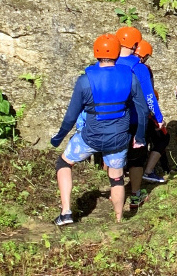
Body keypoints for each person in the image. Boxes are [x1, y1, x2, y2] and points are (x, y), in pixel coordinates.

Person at [49, 34, 148, 225]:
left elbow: (71, 116)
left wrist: (59, 137)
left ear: (96, 53)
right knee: (117, 178)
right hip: (118, 139)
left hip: (90, 137)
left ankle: (66, 212)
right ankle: (119, 220)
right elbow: (143, 110)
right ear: (118, 53)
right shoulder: (130, 76)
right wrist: (140, 136)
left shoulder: (85, 80)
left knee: (63, 164)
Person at [115, 27, 163, 208]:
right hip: (135, 120)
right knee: (136, 160)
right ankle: (135, 195)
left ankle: (116, 193)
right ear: (136, 45)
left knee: (115, 157)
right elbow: (149, 96)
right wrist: (158, 117)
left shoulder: (108, 62)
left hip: (113, 120)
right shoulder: (139, 68)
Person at [135, 40, 170, 184]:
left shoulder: (118, 65)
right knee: (162, 138)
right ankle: (148, 171)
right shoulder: (143, 69)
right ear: (144, 55)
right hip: (142, 114)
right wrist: (158, 117)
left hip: (123, 114)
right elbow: (149, 95)